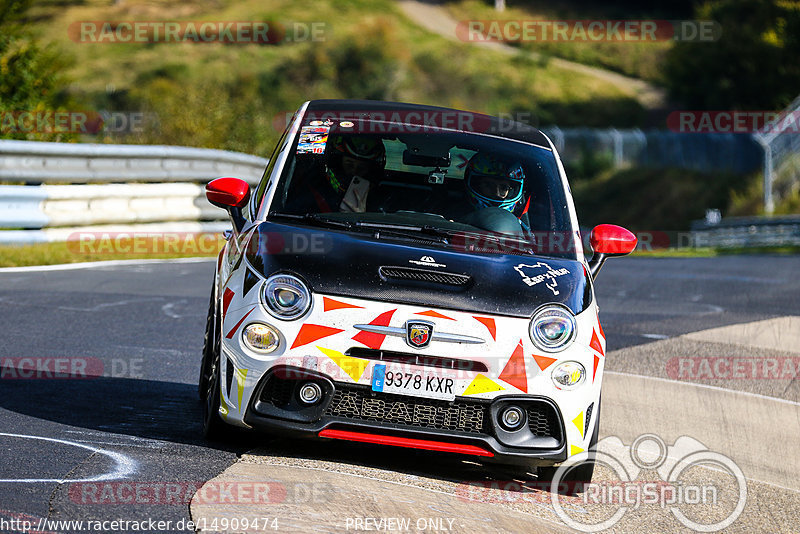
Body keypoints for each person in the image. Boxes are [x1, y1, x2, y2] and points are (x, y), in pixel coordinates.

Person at [464, 152, 533, 230]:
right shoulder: (452, 220)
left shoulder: (524, 229)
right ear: (476, 184)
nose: (497, 194)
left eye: (504, 188)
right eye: (488, 185)